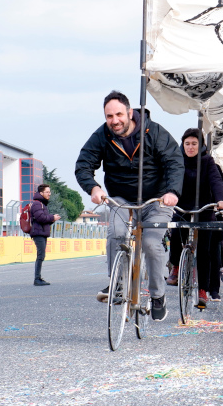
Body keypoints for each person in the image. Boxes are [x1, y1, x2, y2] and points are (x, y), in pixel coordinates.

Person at [75, 90, 184, 322]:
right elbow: (83, 164)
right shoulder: (102, 135)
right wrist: (93, 188)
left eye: (118, 115)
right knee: (116, 232)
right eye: (109, 116)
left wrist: (172, 192)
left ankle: (157, 295)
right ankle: (119, 285)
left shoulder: (153, 131)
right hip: (121, 198)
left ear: (129, 112)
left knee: (151, 243)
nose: (114, 121)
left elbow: (174, 161)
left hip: (157, 199)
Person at [171, 128, 223, 307]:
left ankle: (203, 289)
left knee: (205, 251)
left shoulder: (207, 161)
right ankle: (174, 266)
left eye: (194, 144)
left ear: (201, 145)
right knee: (175, 231)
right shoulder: (177, 161)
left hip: (204, 208)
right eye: (187, 144)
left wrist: (221, 200)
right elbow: (170, 179)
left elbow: (216, 181)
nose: (190, 147)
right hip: (183, 206)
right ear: (183, 145)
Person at [29, 184, 61, 286]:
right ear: (41, 193)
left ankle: (38, 278)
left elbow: (44, 220)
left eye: (49, 192)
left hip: (41, 232)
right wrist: (52, 217)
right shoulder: (37, 204)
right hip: (38, 233)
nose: (49, 194)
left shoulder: (42, 204)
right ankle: (37, 279)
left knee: (41, 255)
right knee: (40, 255)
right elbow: (41, 218)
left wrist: (52, 219)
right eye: (47, 192)